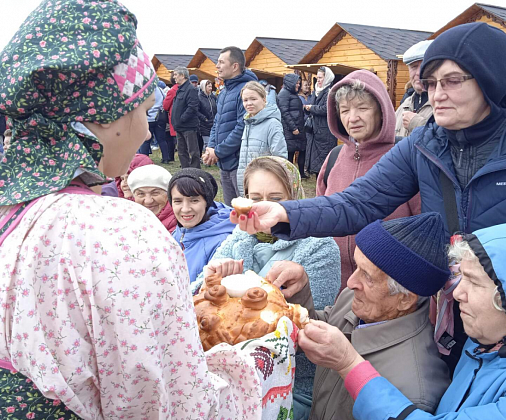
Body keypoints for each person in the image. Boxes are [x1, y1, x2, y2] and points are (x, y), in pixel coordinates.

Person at [230, 22, 506, 371]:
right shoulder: (425, 143)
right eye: (431, 83)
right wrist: (285, 213)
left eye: (452, 81)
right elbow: (360, 201)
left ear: (489, 81)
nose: (437, 95)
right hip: (453, 309)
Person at [0, 1, 297, 418]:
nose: (145, 125)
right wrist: (254, 364)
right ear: (105, 118)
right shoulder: (119, 232)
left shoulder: (16, 212)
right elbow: (170, 401)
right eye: (142, 107)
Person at [299, 221, 506, 420]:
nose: (456, 293)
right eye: (460, 277)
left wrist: (349, 365)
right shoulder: (488, 339)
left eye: (473, 283)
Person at [198, 156, 340, 420]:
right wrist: (211, 283)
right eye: (255, 197)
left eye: (275, 198)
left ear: (294, 197)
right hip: (226, 374)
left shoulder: (319, 246)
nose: (263, 206)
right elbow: (196, 300)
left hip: (292, 381)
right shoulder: (241, 236)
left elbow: (312, 333)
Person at [284, 213, 451, 420]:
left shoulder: (414, 392)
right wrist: (298, 291)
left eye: (367, 276)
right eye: (357, 267)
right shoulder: (361, 300)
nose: (350, 283)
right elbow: (322, 326)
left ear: (405, 299)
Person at [319, 70, 421, 290]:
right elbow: (319, 217)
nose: (352, 118)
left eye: (362, 108)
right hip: (334, 286)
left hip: (386, 290)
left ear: (381, 111)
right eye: (344, 110)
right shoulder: (334, 158)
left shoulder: (405, 158)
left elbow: (421, 226)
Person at [204, 46, 257, 205]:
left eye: (221, 62)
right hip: (224, 162)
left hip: (239, 163)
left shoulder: (247, 91)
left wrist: (218, 151)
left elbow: (242, 127)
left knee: (245, 209)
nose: (217, 66)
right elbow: (217, 123)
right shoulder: (225, 91)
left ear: (235, 66)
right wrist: (211, 147)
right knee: (230, 210)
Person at [169, 168, 234, 283]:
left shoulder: (221, 244)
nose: (185, 209)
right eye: (178, 201)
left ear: (207, 203)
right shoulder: (179, 232)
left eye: (194, 200)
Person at [237, 81, 287, 196]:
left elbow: (280, 157)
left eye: (253, 99)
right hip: (247, 183)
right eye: (245, 100)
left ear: (264, 99)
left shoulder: (272, 124)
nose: (249, 103)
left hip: (264, 187)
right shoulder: (248, 123)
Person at [395, 40, 434, 140]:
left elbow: (447, 143)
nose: (418, 73)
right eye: (414, 67)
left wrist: (417, 123)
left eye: (424, 67)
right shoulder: (403, 106)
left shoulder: (444, 105)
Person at [304, 66, 337, 176]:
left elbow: (326, 109)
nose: (318, 80)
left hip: (325, 131)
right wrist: (308, 108)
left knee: (324, 160)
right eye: (317, 77)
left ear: (327, 78)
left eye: (320, 77)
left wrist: (311, 108)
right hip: (315, 130)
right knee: (316, 160)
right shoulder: (316, 91)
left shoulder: (330, 92)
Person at [127, 164, 176, 233]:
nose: (148, 201)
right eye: (141, 194)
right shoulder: (126, 219)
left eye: (155, 193)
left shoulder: (181, 223)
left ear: (169, 194)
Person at [277, 73, 308, 178]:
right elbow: (284, 112)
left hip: (299, 127)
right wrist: (293, 127)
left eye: (299, 83)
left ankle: (301, 174)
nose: (298, 85)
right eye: (297, 83)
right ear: (291, 83)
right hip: (290, 129)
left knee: (302, 149)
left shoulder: (293, 94)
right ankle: (289, 174)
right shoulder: (283, 94)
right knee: (290, 152)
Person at [171, 66, 201, 168]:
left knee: (193, 152)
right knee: (181, 151)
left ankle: (195, 171)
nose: (174, 77)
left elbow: (192, 107)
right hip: (179, 126)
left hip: (188, 126)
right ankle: (185, 171)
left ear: (182, 75)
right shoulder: (180, 89)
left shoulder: (191, 89)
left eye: (175, 74)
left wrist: (182, 119)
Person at [138, 79, 165, 156]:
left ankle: (144, 156)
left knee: (145, 139)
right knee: (161, 139)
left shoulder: (146, 91)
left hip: (148, 118)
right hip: (158, 117)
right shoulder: (160, 90)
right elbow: (164, 100)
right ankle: (166, 157)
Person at [197, 79, 217, 160]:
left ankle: (211, 158)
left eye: (211, 86)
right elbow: (196, 111)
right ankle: (206, 159)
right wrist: (204, 118)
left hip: (213, 122)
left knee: (213, 142)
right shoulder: (199, 98)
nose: (210, 88)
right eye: (208, 86)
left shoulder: (213, 97)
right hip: (204, 124)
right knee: (207, 143)